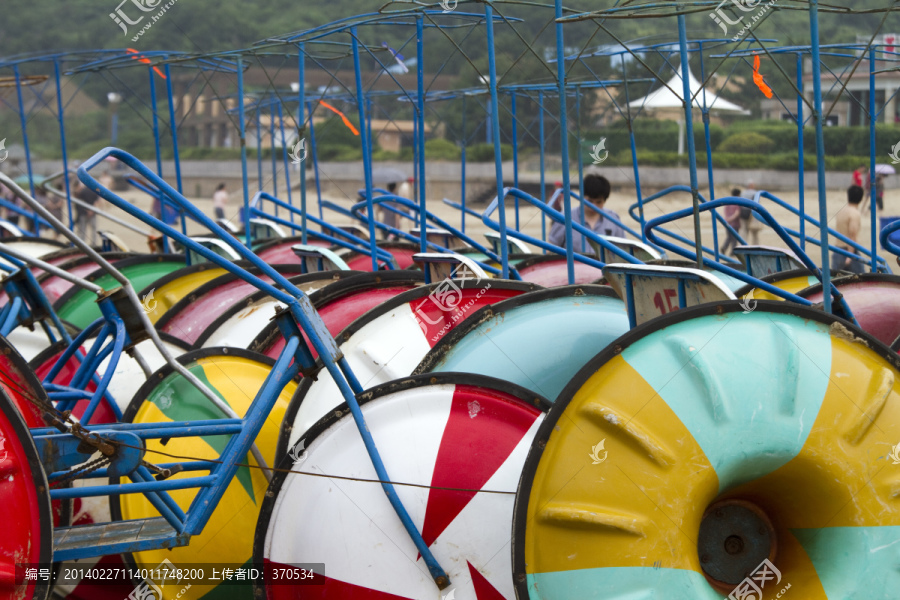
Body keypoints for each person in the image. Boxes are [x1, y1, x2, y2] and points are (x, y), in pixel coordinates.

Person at [548, 175, 624, 254]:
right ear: (581, 197)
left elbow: (623, 250)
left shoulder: (613, 219)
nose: (593, 206)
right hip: (572, 265)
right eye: (589, 201)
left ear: (605, 200)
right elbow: (551, 250)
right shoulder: (564, 218)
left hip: (603, 266)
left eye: (598, 202)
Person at [832, 185, 865, 274]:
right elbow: (852, 234)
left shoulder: (841, 211)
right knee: (862, 281)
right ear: (861, 198)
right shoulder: (855, 213)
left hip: (837, 250)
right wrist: (850, 256)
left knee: (836, 282)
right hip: (849, 251)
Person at [74, 181, 99, 245]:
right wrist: (91, 210)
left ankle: (82, 243)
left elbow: (81, 202)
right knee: (93, 228)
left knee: (83, 229)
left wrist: (87, 210)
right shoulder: (94, 191)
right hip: (93, 212)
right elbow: (96, 202)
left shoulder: (82, 191)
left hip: (83, 212)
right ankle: (93, 242)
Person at [720, 187, 743, 256]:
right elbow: (737, 213)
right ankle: (733, 252)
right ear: (738, 194)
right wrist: (731, 218)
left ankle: (724, 248)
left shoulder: (728, 202)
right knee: (734, 238)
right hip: (734, 223)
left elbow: (725, 211)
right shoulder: (736, 202)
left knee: (729, 237)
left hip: (727, 222)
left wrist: (727, 219)